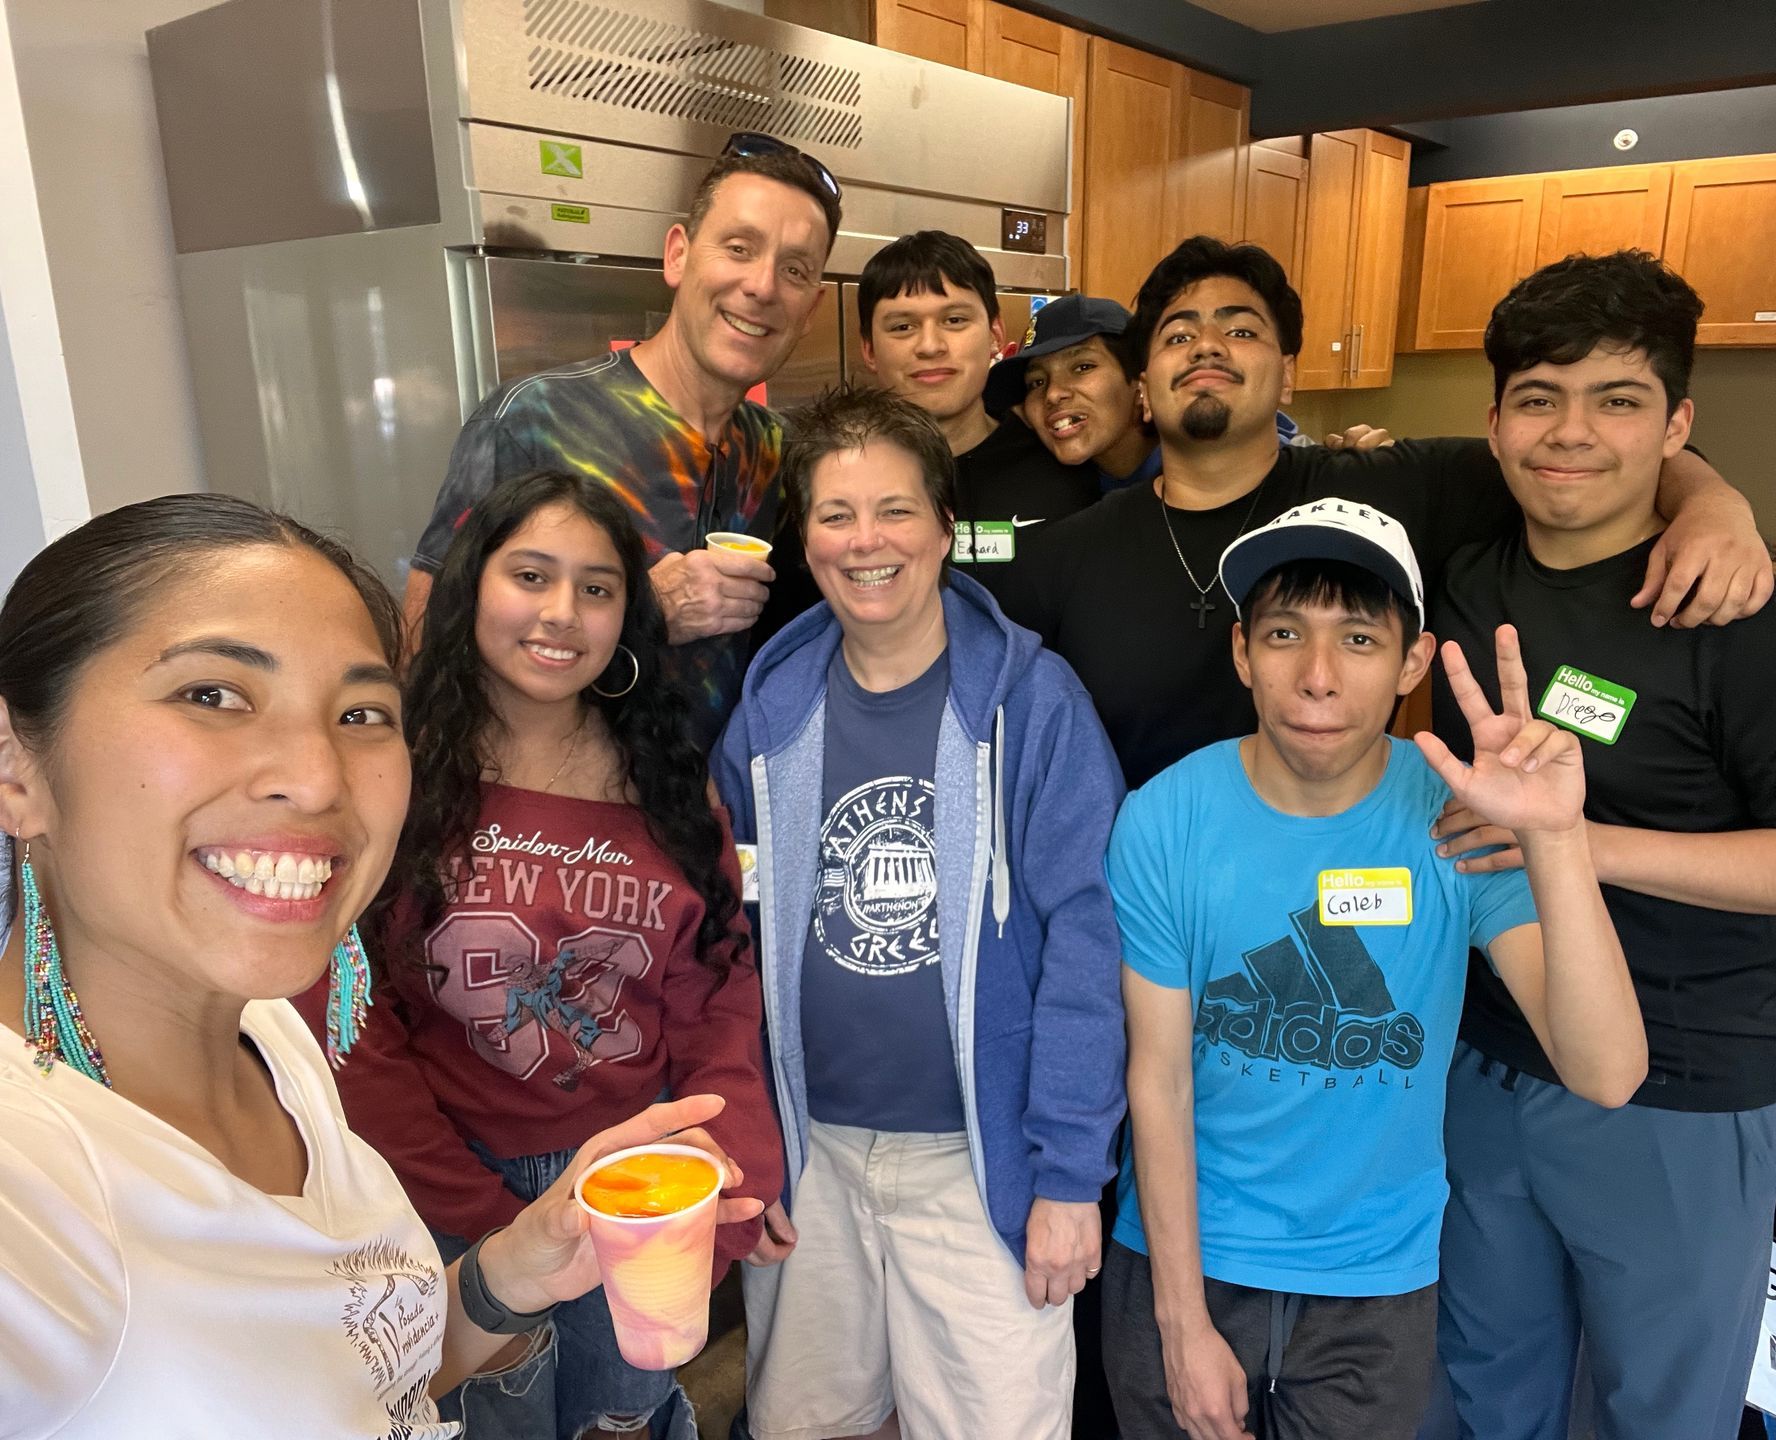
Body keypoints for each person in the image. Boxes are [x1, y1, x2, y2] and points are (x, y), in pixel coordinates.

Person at [0, 494, 762, 1439]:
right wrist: (482, 1208)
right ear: (15, 763)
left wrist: (510, 1268)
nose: (316, 776)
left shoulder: (272, 1036)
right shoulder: (26, 1209)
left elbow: (365, 1367)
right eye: (213, 695)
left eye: (360, 712)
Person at [1425, 251, 1776, 1440]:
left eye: (1619, 401)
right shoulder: (1471, 568)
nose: (1571, 434)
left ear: (1677, 423)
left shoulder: (1746, 621)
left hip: (1682, 1097)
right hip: (1489, 1064)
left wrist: (1582, 844)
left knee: (1659, 1411)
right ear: (1494, 423)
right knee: (1485, 1393)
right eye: (1539, 399)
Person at [1104, 499, 1646, 1440]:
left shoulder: (1451, 819)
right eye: (1284, 635)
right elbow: (1159, 1083)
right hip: (1187, 1264)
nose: (1317, 679)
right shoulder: (1163, 819)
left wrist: (1554, 835)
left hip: (1374, 1283)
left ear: (1412, 663)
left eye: (1358, 639)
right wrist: (1181, 1323)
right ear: (1242, 653)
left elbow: (1607, 1071)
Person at [302, 472, 783, 1440]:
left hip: (638, 1185)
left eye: (597, 588)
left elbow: (716, 987)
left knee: (624, 1421)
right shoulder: (387, 769)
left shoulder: (664, 777)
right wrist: (489, 1221)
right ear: (473, 585)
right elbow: (346, 1006)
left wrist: (740, 1162)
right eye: (531, 575)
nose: (561, 613)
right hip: (440, 1189)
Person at [713, 386, 1127, 1439]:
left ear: (947, 526)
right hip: (813, 1160)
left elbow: (1088, 950)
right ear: (803, 540)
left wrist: (1071, 1177)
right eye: (836, 514)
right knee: (803, 1425)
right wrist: (756, 1146)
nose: (867, 542)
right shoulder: (770, 709)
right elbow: (729, 939)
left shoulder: (1034, 707)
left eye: (895, 510)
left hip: (980, 1166)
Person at [998, 235, 1776, 792]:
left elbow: (1570, 458)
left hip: (1350, 898)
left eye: (1241, 328)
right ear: (1144, 383)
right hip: (1151, 907)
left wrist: (1710, 501)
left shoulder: (1394, 491)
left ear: (1288, 377)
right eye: (1178, 334)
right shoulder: (1065, 557)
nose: (1209, 345)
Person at [406, 133, 843, 748]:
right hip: (557, 821)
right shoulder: (535, 420)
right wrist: (642, 608)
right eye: (739, 248)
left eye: (794, 269)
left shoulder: (780, 452)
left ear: (811, 307)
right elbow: (427, 642)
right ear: (678, 256)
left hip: (716, 821)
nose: (763, 286)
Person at [857, 230, 1101, 594]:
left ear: (995, 334)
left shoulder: (1066, 465)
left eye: (954, 320)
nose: (930, 346)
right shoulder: (840, 475)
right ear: (870, 350)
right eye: (903, 326)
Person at [988, 291, 1390, 491]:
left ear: (1141, 381)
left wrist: (1352, 469)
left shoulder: (1218, 460)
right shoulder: (1052, 486)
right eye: (1036, 382)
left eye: (1083, 366)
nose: (1054, 393)